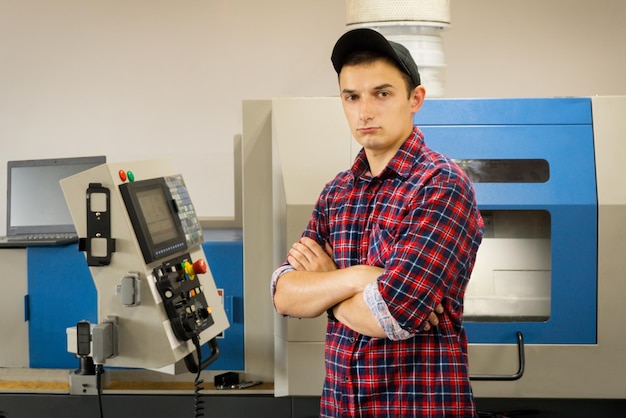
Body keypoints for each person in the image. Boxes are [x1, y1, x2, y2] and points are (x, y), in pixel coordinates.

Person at [271, 28, 484, 417]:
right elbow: (284, 294)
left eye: (381, 94)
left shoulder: (440, 185)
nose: (364, 111)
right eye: (352, 97)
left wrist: (327, 290)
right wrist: (360, 278)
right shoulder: (337, 192)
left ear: (414, 99)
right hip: (341, 408)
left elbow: (395, 313)